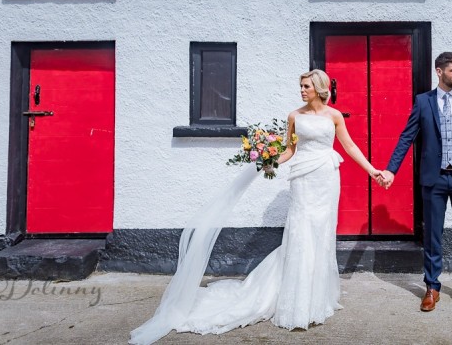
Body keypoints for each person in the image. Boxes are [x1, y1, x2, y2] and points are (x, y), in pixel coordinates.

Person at [129, 70, 383, 344]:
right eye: (300, 86)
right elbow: (290, 151)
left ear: (318, 88)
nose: (301, 90)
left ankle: (317, 296)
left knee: (321, 233)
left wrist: (372, 171)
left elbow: (349, 146)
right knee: (301, 232)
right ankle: (296, 300)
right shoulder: (294, 116)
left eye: (306, 86)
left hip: (326, 178)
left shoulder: (334, 116)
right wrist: (268, 161)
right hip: (303, 179)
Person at [378, 52, 452, 315]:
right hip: (433, 178)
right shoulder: (423, 101)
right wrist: (391, 169)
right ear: (439, 72)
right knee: (432, 235)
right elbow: (407, 137)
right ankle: (432, 287)